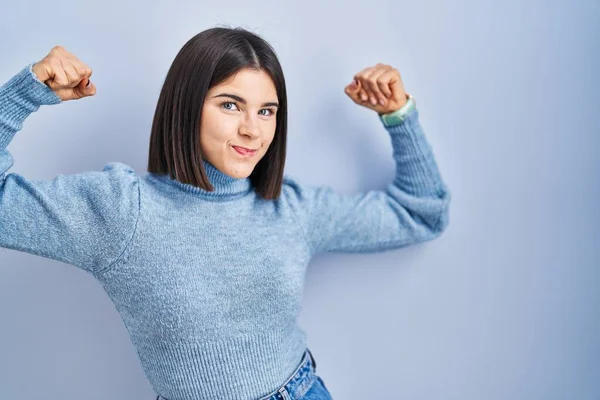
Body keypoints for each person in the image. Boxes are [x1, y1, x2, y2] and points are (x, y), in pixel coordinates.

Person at [0, 26, 451, 400]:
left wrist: (399, 115)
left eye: (267, 111)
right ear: (187, 105)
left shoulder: (291, 209)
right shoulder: (122, 209)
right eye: (230, 104)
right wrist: (22, 96)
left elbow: (421, 213)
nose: (252, 129)